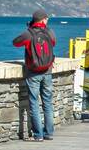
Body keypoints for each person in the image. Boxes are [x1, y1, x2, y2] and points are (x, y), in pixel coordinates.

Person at [12, 8, 56, 141]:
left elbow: (16, 43)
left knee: (34, 103)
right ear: (43, 19)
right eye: (46, 19)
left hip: (33, 73)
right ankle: (48, 133)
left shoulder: (28, 33)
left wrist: (29, 29)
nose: (47, 21)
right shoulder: (49, 32)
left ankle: (38, 135)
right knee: (47, 102)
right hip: (47, 71)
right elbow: (53, 43)